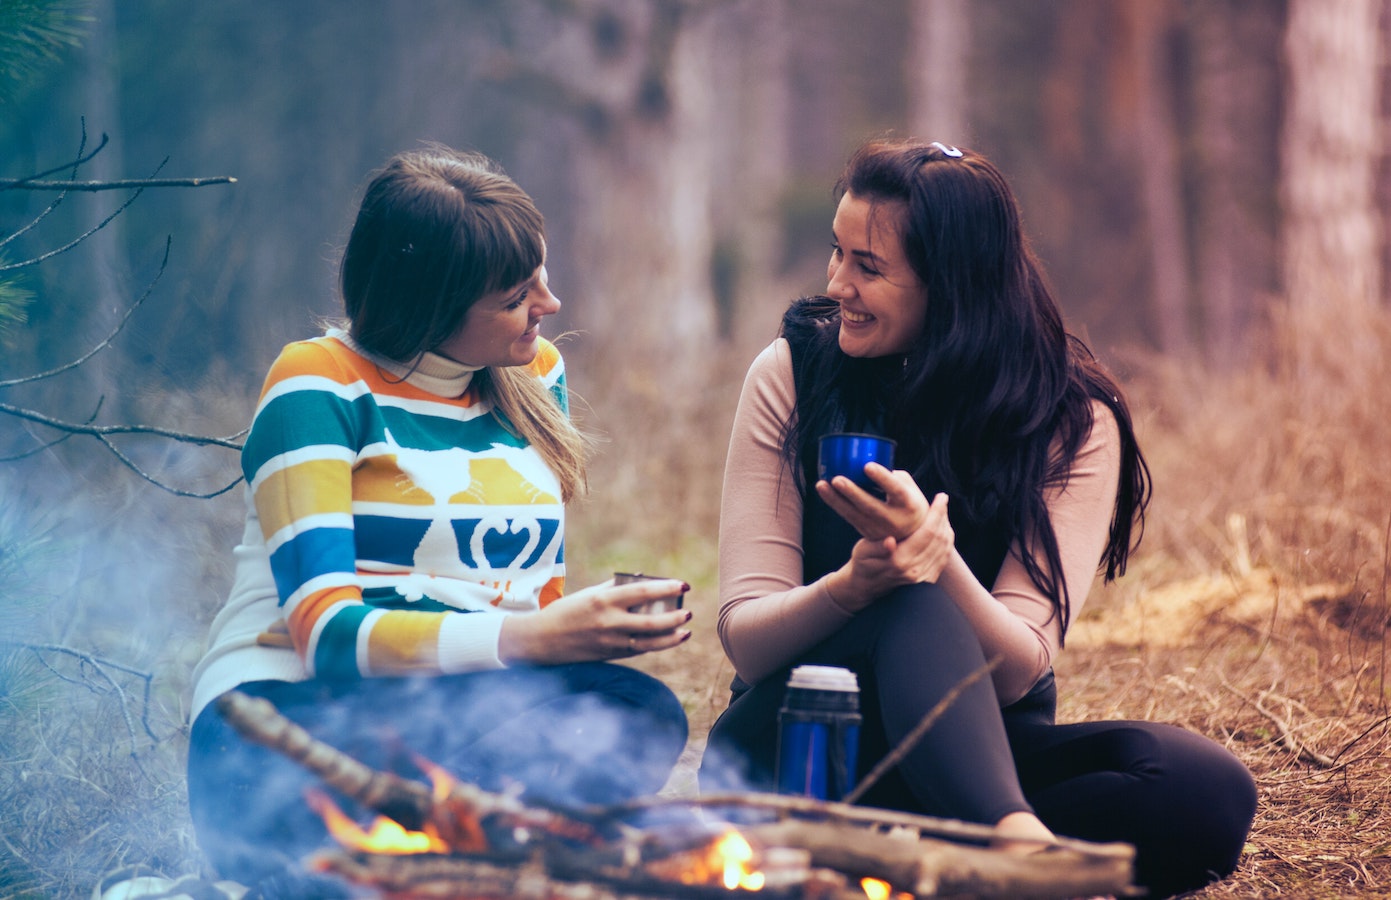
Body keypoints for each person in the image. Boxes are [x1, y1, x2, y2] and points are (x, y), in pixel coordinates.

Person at [704, 139, 1256, 898]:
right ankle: (1010, 847)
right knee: (906, 603)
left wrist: (940, 561)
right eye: (837, 253)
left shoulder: (1071, 418)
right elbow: (748, 639)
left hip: (973, 751)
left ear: (952, 285)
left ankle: (939, 854)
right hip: (797, 748)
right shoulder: (792, 374)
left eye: (868, 267)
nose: (837, 284)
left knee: (1204, 789)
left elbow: (1023, 663)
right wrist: (853, 587)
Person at [186, 147, 692, 894]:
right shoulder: (318, 383)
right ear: (430, 305)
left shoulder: (534, 374)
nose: (548, 306)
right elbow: (326, 637)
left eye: (542, 278)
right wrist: (537, 639)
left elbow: (530, 594)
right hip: (286, 725)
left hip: (450, 715)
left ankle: (447, 861)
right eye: (519, 295)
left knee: (635, 708)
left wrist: (579, 633)